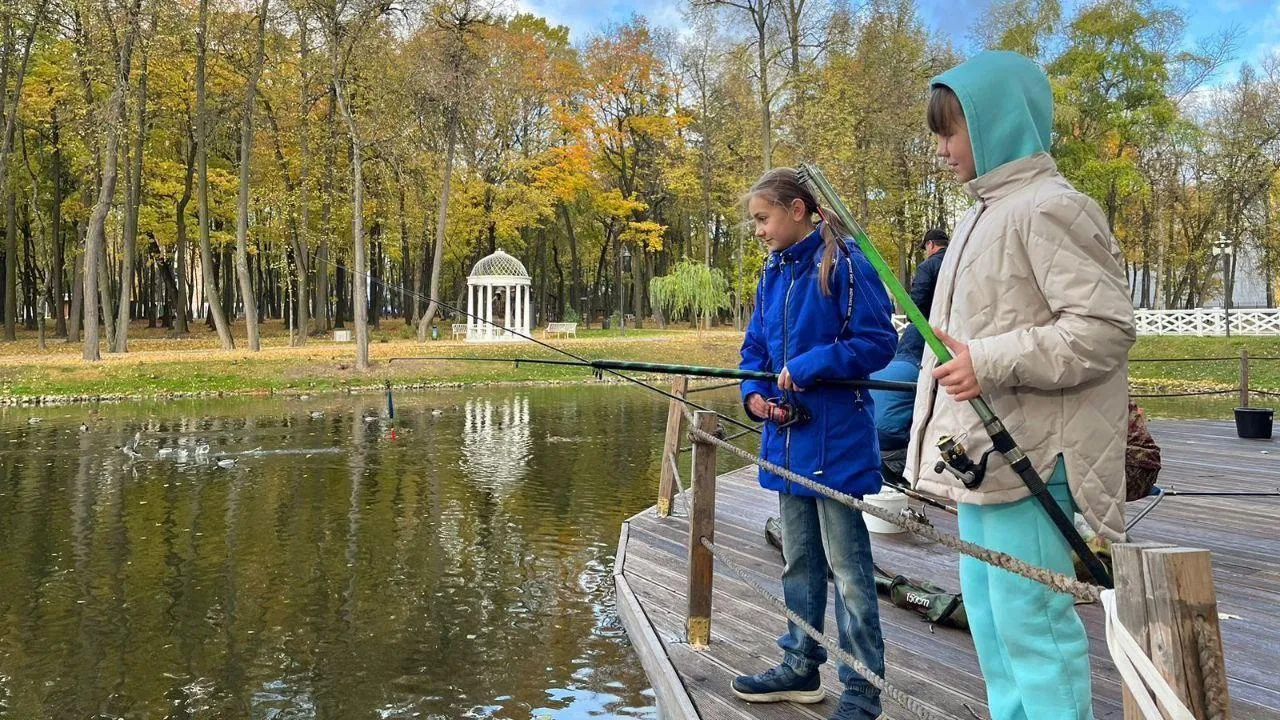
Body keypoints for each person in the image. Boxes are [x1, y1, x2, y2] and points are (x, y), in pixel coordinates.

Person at [906, 51, 1135, 720]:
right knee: (992, 621)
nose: (943, 149)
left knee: (1033, 626)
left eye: (951, 131)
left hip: (1038, 455)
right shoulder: (982, 213)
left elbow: (1102, 329)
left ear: (996, 122)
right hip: (988, 461)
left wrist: (992, 361)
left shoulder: (1052, 207)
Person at [734, 167, 898, 720]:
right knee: (798, 563)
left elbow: (878, 343)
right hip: (785, 441)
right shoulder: (772, 273)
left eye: (763, 217)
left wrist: (811, 365)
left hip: (838, 445)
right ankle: (800, 666)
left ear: (797, 210)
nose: (758, 229)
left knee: (850, 574)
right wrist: (755, 395)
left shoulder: (848, 263)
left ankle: (861, 691)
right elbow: (754, 347)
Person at [869, 228, 949, 455]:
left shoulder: (928, 267)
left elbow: (916, 305)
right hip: (956, 332)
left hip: (927, 332)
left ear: (931, 245)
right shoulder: (959, 262)